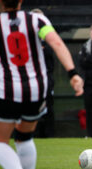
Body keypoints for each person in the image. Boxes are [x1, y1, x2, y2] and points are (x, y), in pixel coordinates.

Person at [0, 1, 84, 169]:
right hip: (36, 90)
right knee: (24, 137)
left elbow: (5, 58)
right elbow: (57, 43)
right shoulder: (37, 20)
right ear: (20, 1)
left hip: (7, 90)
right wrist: (73, 74)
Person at [31, 8, 55, 138]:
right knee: (31, 109)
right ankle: (32, 135)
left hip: (46, 80)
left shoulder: (49, 41)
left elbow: (51, 60)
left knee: (48, 108)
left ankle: (48, 135)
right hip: (29, 80)